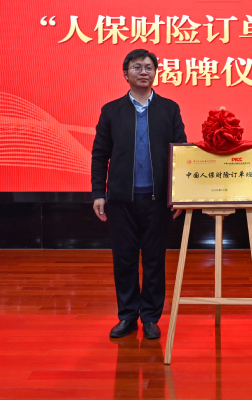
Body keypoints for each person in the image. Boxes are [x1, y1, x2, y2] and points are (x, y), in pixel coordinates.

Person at [91, 49, 187, 339]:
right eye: (137, 67)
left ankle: (151, 317)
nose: (143, 72)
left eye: (148, 67)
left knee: (155, 260)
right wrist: (99, 193)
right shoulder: (112, 110)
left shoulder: (169, 108)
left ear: (155, 72)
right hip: (122, 200)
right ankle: (127, 316)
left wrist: (180, 194)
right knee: (124, 260)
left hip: (158, 201)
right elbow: (100, 154)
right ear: (126, 73)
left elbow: (181, 154)